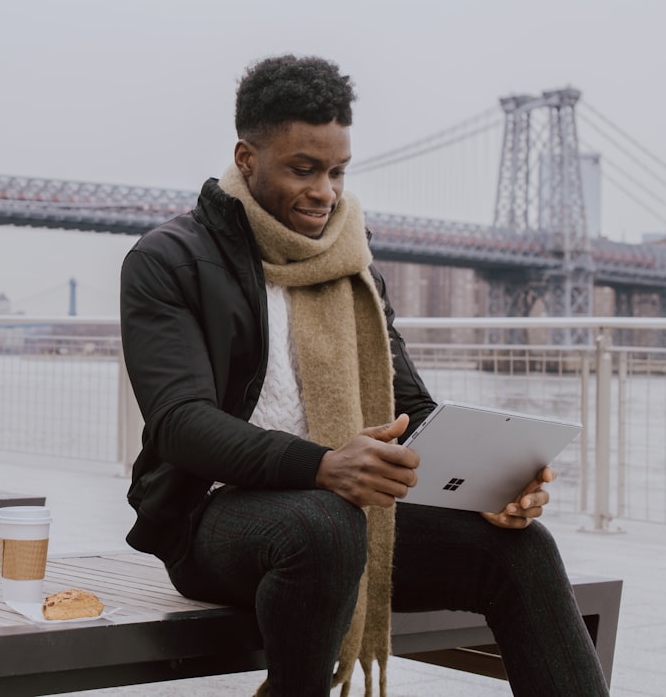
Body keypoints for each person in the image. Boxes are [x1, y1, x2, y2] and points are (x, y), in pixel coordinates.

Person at [119, 54, 609, 697]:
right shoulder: (169, 261)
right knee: (324, 522)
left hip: (349, 515)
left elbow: (411, 413)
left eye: (337, 171)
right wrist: (325, 465)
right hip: (211, 522)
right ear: (246, 157)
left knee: (522, 548)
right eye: (303, 169)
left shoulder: (354, 271)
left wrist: (493, 482)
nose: (325, 191)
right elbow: (181, 424)